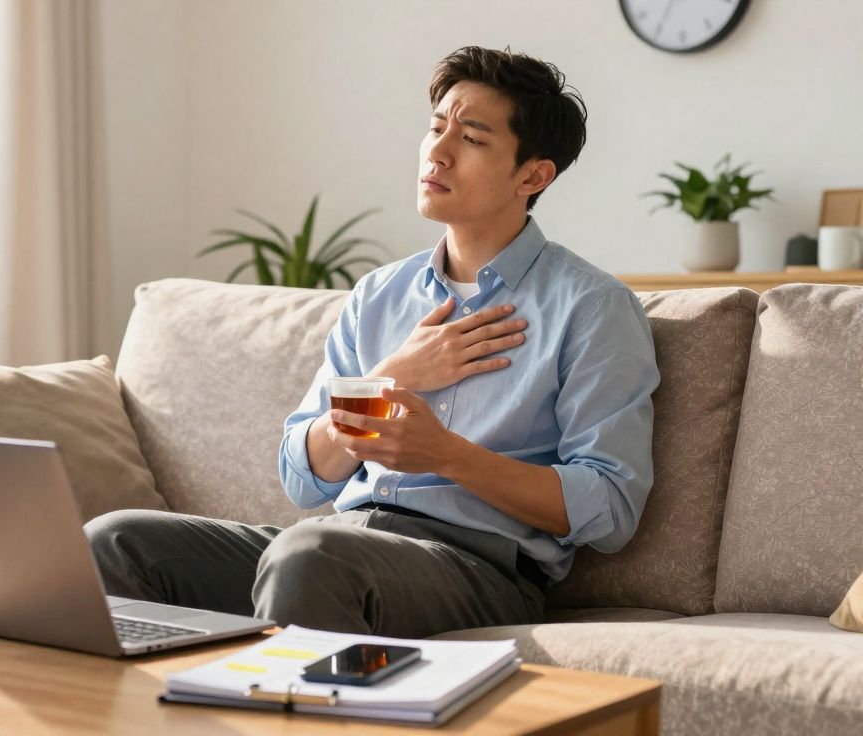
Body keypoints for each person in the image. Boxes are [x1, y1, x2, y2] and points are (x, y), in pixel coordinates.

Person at [84, 46, 659, 638]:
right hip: (341, 540)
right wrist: (391, 378)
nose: (437, 151)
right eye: (436, 127)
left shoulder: (591, 306)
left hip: (478, 570)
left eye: (472, 138)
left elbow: (610, 508)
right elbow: (304, 477)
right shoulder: (379, 294)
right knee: (115, 542)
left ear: (533, 175)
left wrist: (445, 455)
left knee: (311, 558)